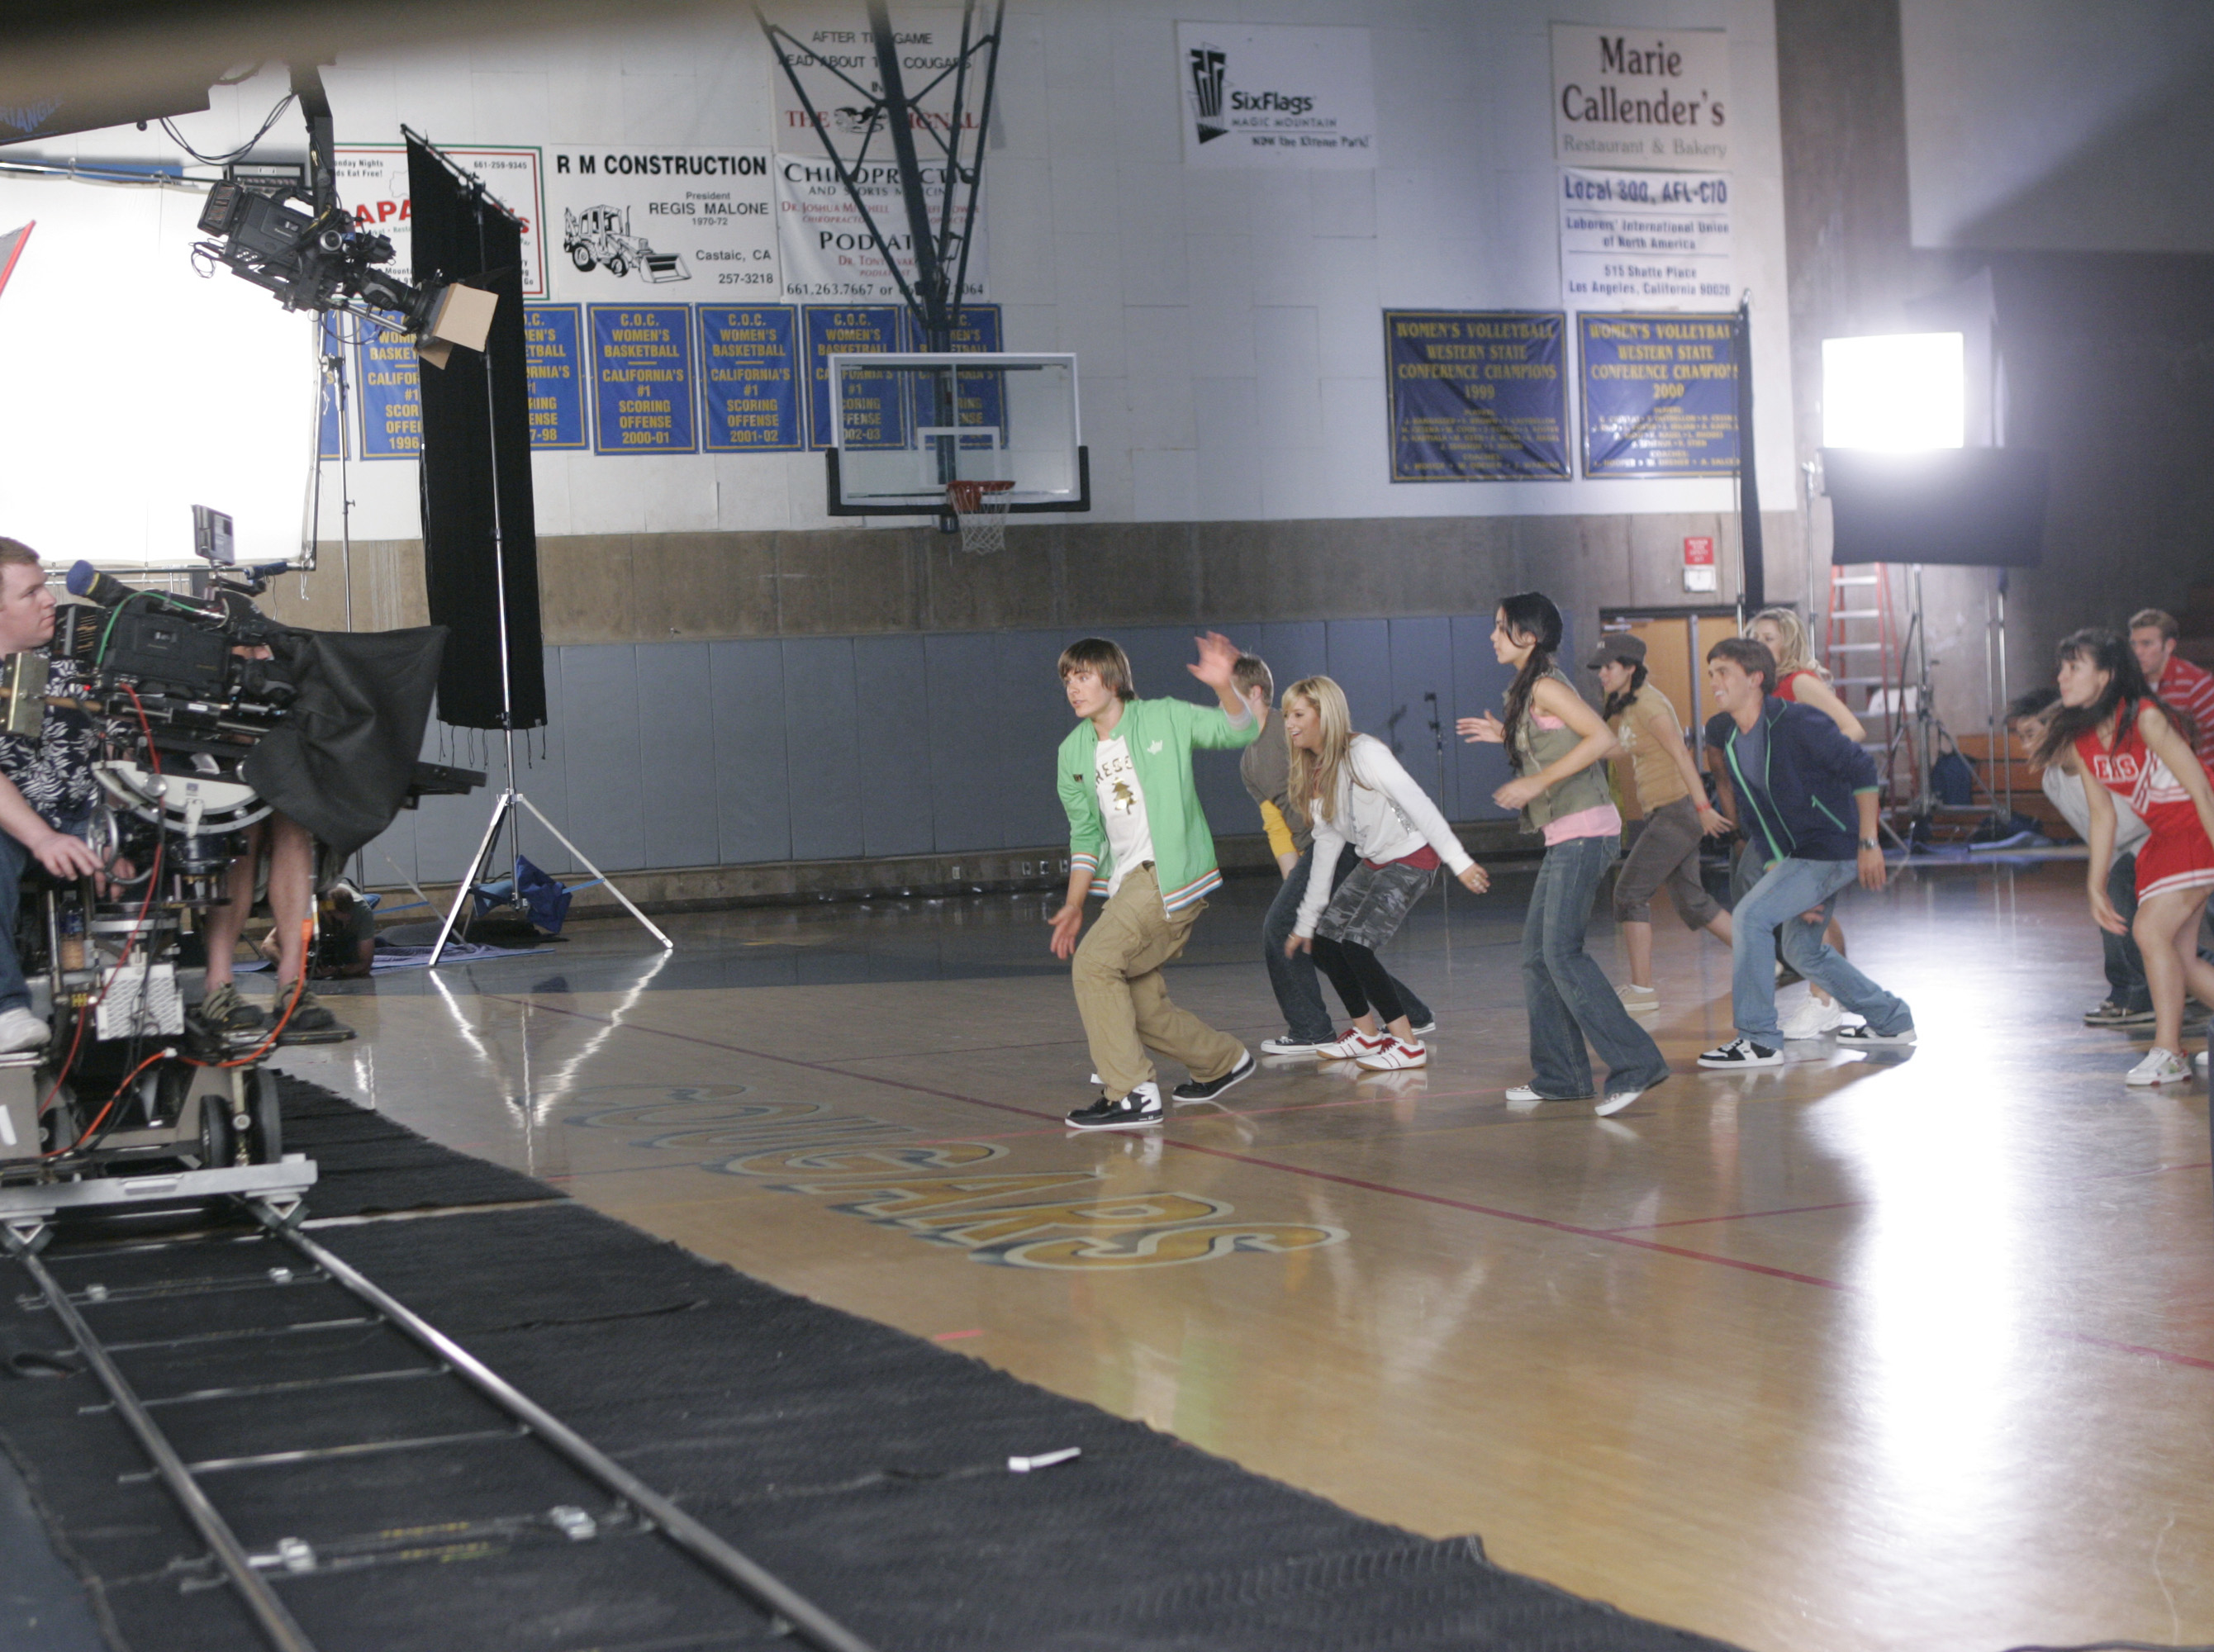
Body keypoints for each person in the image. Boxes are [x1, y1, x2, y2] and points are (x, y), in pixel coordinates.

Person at [1459, 593, 1669, 1116]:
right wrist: (1506, 735)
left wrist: (1537, 782)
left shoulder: (1546, 685)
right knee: (1537, 957)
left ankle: (1637, 1063)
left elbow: (1601, 738)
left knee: (1561, 954)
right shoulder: (1531, 687)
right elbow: (1556, 738)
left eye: (1501, 627)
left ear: (1528, 636)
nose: (1492, 636)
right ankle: (1562, 1076)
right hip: (1565, 835)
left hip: (1586, 831)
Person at [1051, 633, 1261, 1130]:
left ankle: (1131, 1094)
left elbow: (1240, 730)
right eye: (1067, 680)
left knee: (1094, 964)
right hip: (1127, 886)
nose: (1073, 688)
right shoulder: (1072, 753)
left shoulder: (1163, 716)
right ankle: (1221, 1060)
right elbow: (1085, 836)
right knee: (1140, 1006)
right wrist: (1075, 903)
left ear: (1112, 680)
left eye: (1083, 676)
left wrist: (1225, 687)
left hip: (1166, 877)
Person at [1697, 635, 1916, 1068]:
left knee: (1751, 916)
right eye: (1711, 674)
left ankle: (1759, 1039)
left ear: (1755, 678)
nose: (1715, 682)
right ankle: (1891, 1019)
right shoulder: (1733, 738)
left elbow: (1861, 767)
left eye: (1723, 673)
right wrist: (1781, 872)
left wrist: (1869, 842)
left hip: (1832, 846)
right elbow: (1760, 815)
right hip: (1799, 855)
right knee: (1802, 951)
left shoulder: (1797, 722)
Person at [1280, 676, 1486, 1071]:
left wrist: (1458, 861)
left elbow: (1419, 803)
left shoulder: (1366, 754)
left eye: (1299, 714)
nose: (1290, 723)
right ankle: (1367, 1034)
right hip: (1374, 860)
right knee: (1324, 943)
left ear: (1325, 716)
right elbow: (1326, 846)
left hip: (1412, 858)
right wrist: (1306, 921)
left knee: (1357, 946)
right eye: (1287, 715)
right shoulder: (1319, 770)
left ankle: (1408, 1044)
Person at [2037, 628, 2214, 1085]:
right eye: (2062, 668)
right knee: (2181, 959)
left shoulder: (2147, 719)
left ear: (2106, 676)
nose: (2062, 677)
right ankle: (2170, 1050)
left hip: (2199, 825)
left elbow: (2201, 789)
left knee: (2149, 930)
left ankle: (2168, 1052)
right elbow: (2102, 816)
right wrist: (2094, 884)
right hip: (2166, 836)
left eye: (2074, 667)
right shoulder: (2082, 737)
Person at [1233, 654, 1434, 1056]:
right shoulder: (1248, 761)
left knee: (1281, 929)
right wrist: (1293, 881)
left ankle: (1311, 1029)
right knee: (1322, 941)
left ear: (1254, 693)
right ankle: (1410, 1014)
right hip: (1314, 848)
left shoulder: (1291, 728)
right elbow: (1277, 826)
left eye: (1227, 696)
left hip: (1341, 842)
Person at [0, 541, 118, 1054]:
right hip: (15, 828)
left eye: (44, 587)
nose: (49, 599)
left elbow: (123, 742)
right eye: (31, 593)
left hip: (89, 812)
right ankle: (6, 1010)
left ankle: (169, 992)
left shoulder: (77, 657)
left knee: (166, 840)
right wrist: (43, 838)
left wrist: (117, 825)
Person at [1589, 634, 1732, 1011]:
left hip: (1676, 812)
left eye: (1609, 667)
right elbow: (1621, 747)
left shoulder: (1650, 705)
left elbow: (1682, 757)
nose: (1602, 674)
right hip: (1664, 812)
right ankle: (1768, 959)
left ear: (1630, 668)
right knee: (1693, 902)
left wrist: (1703, 809)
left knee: (1629, 893)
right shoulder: (1629, 704)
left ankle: (1643, 991)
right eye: (1600, 667)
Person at [1746, 606, 1863, 1036]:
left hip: (1814, 815)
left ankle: (1825, 999)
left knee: (1806, 907)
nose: (1759, 644)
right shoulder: (1762, 690)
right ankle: (1831, 994)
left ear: (1789, 644)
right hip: (1781, 818)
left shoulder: (1799, 682)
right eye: (1754, 637)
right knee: (1793, 904)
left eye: (1769, 638)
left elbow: (1852, 729)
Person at [2010, 686, 2155, 1027]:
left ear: (2059, 725)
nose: (2025, 746)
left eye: (2031, 734)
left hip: (2156, 841)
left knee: (2119, 903)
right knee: (2151, 933)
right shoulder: (2051, 781)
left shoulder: (2099, 757)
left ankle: (2135, 996)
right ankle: (2174, 983)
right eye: (2021, 737)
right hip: (2125, 854)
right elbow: (2098, 833)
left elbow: (2121, 820)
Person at [2127, 607, 2214, 767]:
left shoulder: (2196, 682)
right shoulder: (2131, 682)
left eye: (2146, 644)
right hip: (2152, 774)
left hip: (2199, 774)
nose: (2137, 652)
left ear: (2169, 646)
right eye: (2133, 644)